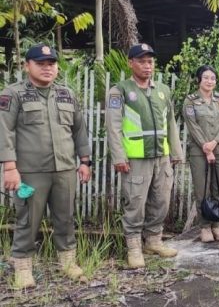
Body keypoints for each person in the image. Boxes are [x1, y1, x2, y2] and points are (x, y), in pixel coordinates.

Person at [0, 44, 91, 288]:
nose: (47, 68)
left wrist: (85, 161)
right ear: (27, 65)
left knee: (65, 218)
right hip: (30, 172)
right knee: (28, 219)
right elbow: (4, 130)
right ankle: (22, 267)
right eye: (40, 63)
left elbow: (79, 130)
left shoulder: (66, 94)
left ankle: (67, 262)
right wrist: (9, 167)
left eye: (51, 64)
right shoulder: (14, 94)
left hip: (64, 170)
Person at [105, 43, 184, 268]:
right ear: (131, 63)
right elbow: (114, 126)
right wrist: (119, 157)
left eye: (150, 61)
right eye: (141, 61)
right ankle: (134, 248)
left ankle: (153, 241)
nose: (147, 66)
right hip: (135, 159)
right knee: (135, 203)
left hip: (161, 156)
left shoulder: (162, 90)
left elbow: (170, 122)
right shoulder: (119, 90)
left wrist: (176, 151)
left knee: (161, 201)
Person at [183, 66, 219, 242]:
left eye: (213, 78)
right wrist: (206, 147)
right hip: (199, 152)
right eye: (206, 78)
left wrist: (214, 143)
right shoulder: (191, 101)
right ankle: (204, 227)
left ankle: (217, 225)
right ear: (199, 80)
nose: (209, 81)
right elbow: (192, 125)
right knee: (202, 190)